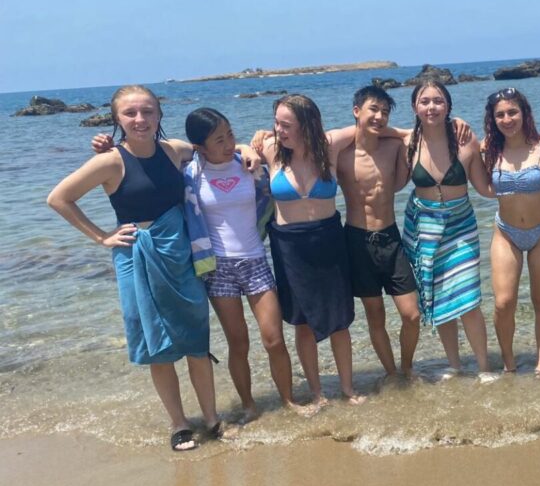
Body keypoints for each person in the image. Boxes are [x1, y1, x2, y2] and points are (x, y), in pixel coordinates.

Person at [48, 85, 221, 451]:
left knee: (195, 339)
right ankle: (178, 424)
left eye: (148, 111)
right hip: (136, 257)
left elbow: (215, 147)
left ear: (159, 115)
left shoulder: (173, 150)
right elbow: (59, 198)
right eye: (130, 113)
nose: (140, 119)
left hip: (180, 255)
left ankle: (212, 418)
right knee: (157, 344)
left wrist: (251, 150)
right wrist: (101, 237)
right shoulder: (109, 161)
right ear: (117, 119)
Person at [181, 108, 309, 420]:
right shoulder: (190, 174)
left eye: (230, 135)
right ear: (199, 147)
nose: (227, 144)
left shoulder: (248, 165)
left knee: (273, 338)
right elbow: (158, 152)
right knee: (238, 343)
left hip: (255, 260)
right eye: (218, 140)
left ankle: (289, 400)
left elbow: (274, 138)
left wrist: (248, 147)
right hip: (218, 267)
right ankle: (249, 405)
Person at [259, 94, 365, 405]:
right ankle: (317, 393)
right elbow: (224, 150)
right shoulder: (270, 149)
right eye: (276, 123)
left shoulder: (329, 145)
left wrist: (410, 134)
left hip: (328, 240)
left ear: (307, 125)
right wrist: (250, 142)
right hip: (289, 246)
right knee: (303, 321)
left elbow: (369, 127)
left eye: (286, 124)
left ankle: (348, 388)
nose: (279, 130)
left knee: (339, 321)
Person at [403, 80, 498, 382]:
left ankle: (484, 367)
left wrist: (526, 182)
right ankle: (455, 365)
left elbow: (484, 188)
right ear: (415, 107)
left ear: (448, 106)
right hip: (425, 227)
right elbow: (367, 132)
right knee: (440, 296)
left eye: (438, 101)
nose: (431, 107)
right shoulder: (407, 141)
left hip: (461, 225)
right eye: (424, 101)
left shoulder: (465, 140)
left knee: (468, 298)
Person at [335, 85, 420, 380]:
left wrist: (397, 132)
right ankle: (392, 373)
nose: (379, 116)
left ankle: (408, 368)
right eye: (373, 109)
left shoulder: (394, 147)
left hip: (391, 237)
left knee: (412, 314)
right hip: (356, 241)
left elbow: (413, 137)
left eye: (385, 112)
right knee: (375, 317)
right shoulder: (341, 154)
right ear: (357, 111)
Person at [481, 87, 540, 377]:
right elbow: (462, 161)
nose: (507, 118)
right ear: (493, 119)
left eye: (512, 112)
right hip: (506, 232)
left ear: (524, 113)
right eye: (500, 114)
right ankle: (509, 361)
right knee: (503, 302)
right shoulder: (487, 150)